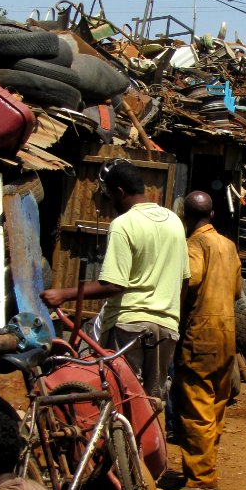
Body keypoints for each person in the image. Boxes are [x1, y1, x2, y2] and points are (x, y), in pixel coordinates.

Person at [42, 159, 190, 402]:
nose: (110, 204)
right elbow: (185, 280)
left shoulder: (123, 224)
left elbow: (114, 284)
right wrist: (171, 314)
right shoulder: (174, 221)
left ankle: (123, 440)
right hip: (166, 328)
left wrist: (63, 294)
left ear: (119, 192)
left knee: (122, 398)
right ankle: (148, 441)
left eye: (110, 197)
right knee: (152, 402)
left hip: (128, 326)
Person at [171, 191, 241, 490]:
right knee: (215, 405)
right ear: (211, 215)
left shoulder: (194, 245)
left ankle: (201, 479)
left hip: (201, 331)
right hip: (227, 331)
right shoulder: (228, 245)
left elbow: (192, 278)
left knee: (197, 405)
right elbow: (237, 291)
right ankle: (206, 467)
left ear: (187, 216)